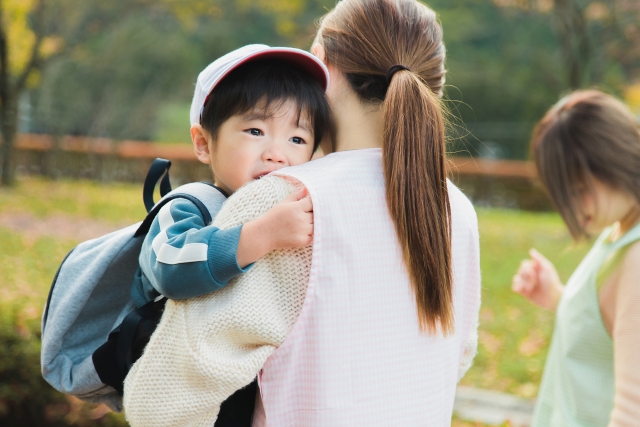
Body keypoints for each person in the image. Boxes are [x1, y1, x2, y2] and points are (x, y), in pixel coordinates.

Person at [123, 1, 481, 426]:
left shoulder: (286, 204)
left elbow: (162, 402)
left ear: (322, 65)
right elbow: (456, 355)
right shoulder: (454, 209)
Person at [92, 44, 331, 399]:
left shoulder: (289, 211)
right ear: (203, 143)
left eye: (297, 138)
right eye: (255, 131)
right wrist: (263, 235)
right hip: (177, 384)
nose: (276, 153)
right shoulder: (189, 206)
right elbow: (172, 268)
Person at [512, 90, 640, 426]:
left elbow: (632, 413)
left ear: (614, 160)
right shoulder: (619, 231)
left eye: (579, 187)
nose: (569, 204)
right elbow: (609, 330)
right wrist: (560, 298)